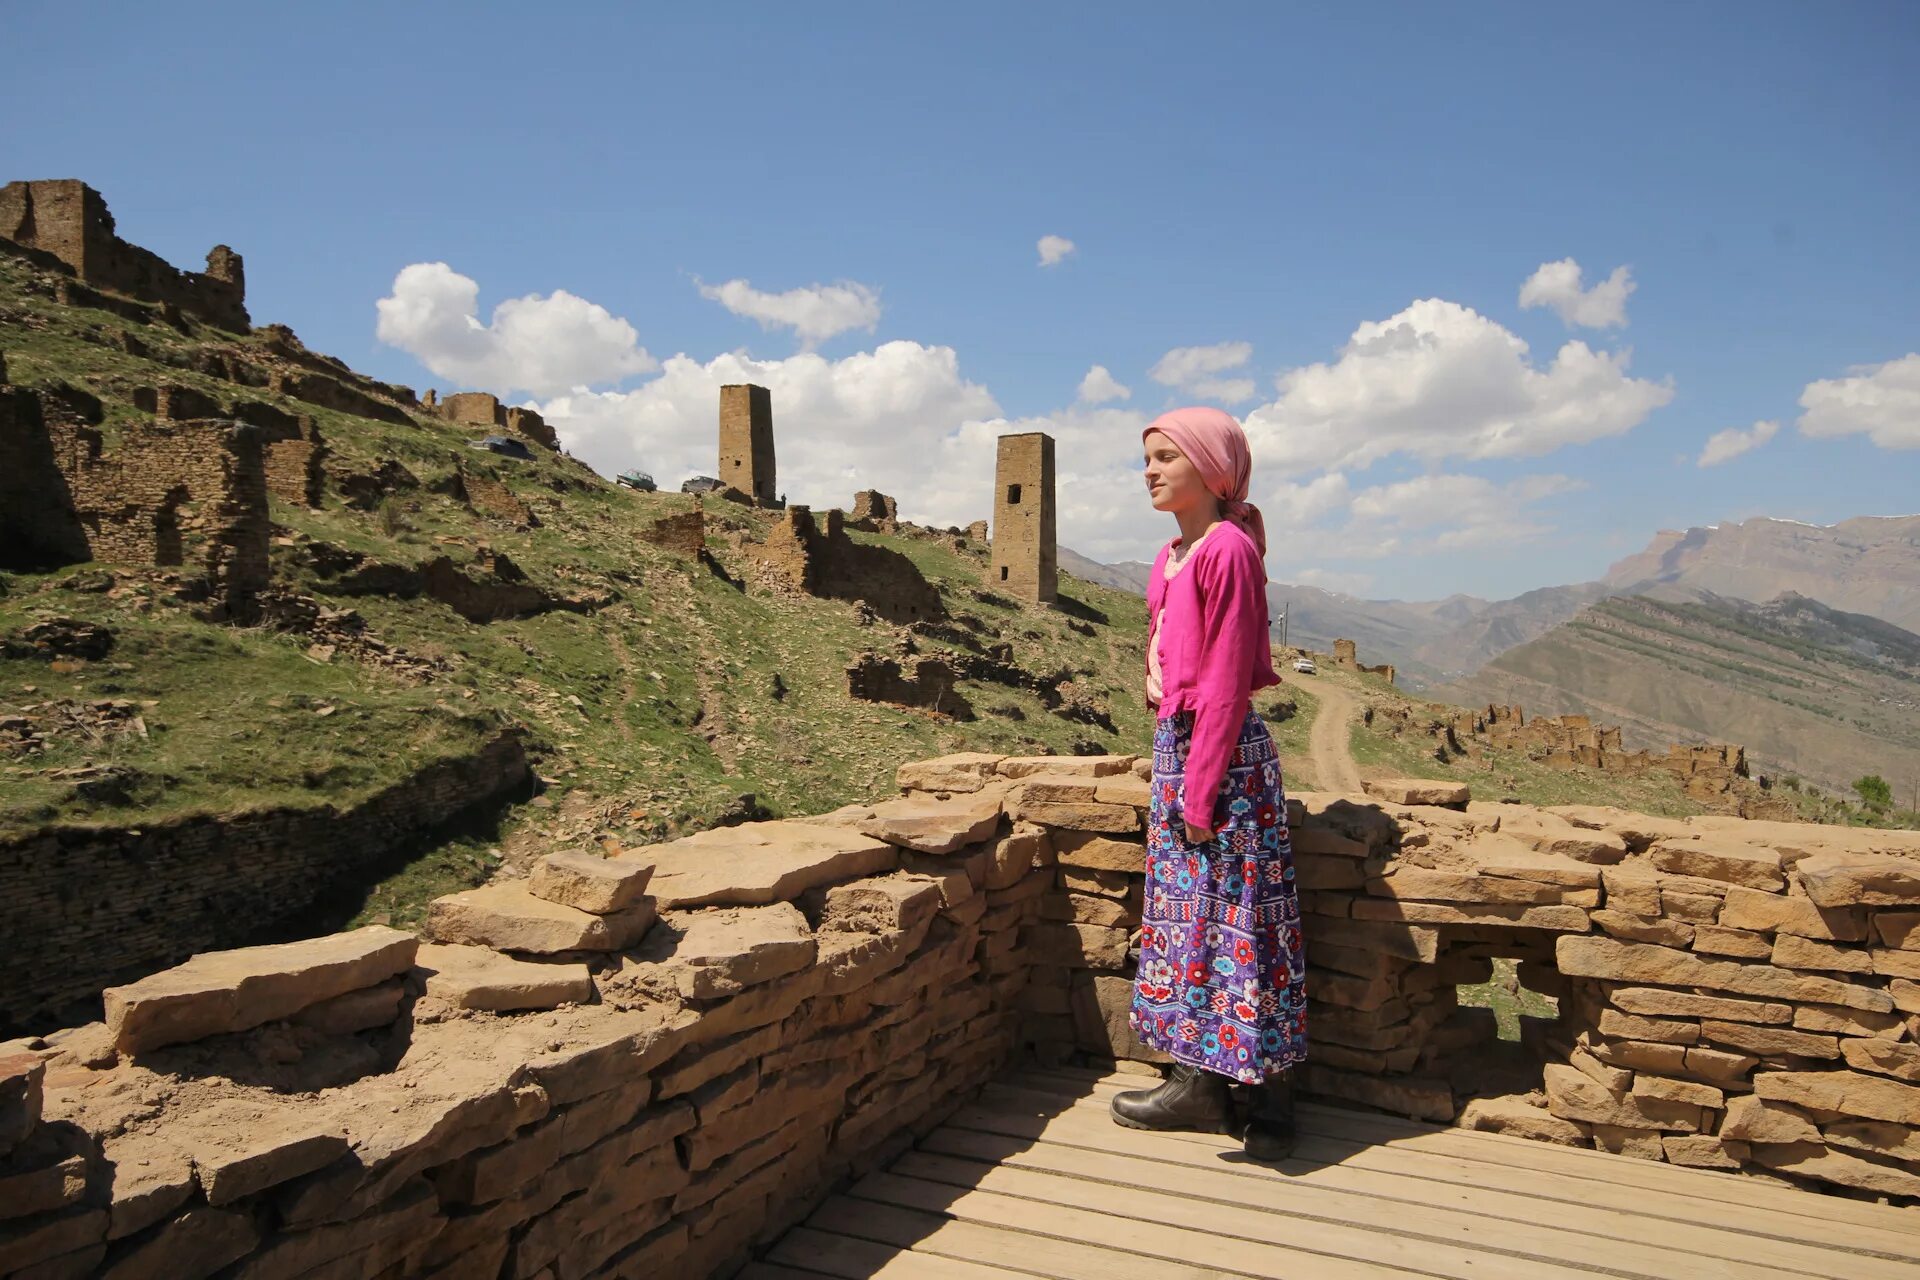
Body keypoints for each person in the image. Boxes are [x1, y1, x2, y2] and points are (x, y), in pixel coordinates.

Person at [1110, 406, 1307, 1162]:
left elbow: (1226, 683)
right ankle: (1199, 1082)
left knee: (1243, 925)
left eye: (1167, 457)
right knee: (1187, 926)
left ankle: (1269, 1099)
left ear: (1212, 470)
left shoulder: (1227, 550)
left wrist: (1199, 794)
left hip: (1218, 766)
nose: (1152, 471)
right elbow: (1175, 654)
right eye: (1147, 458)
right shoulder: (1172, 556)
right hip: (1178, 750)